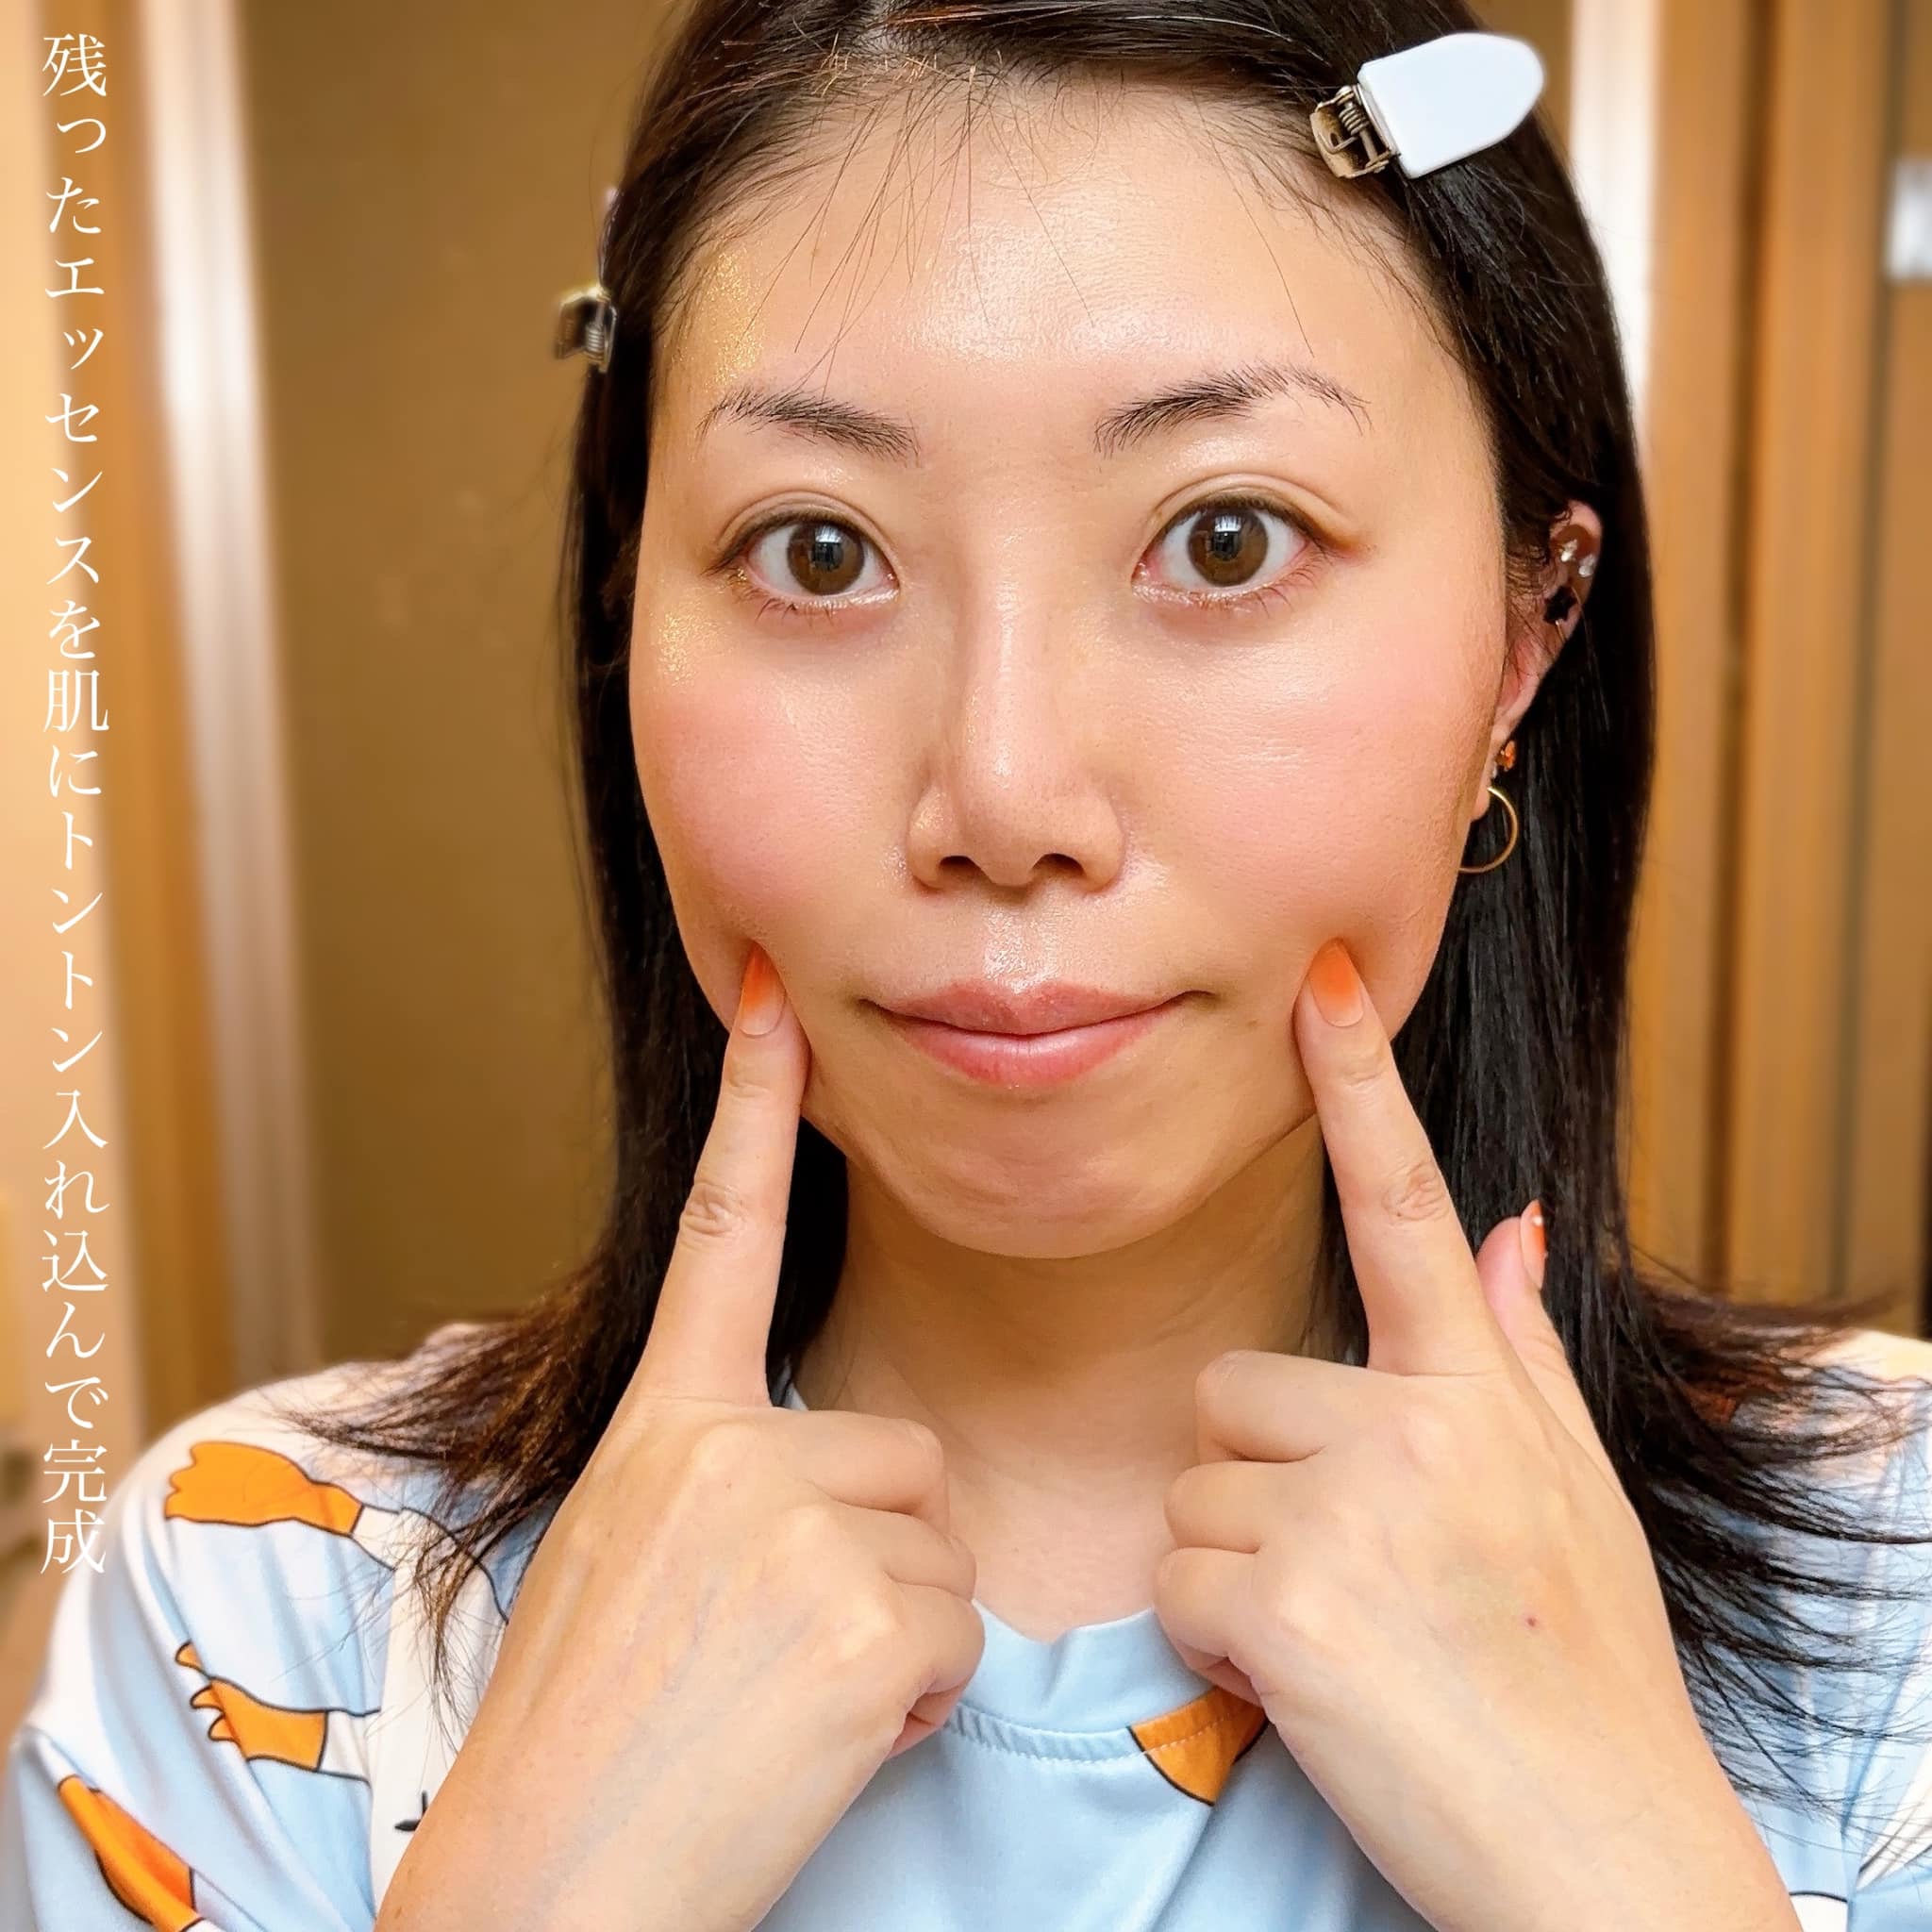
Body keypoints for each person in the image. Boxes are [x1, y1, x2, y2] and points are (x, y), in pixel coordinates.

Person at [6, 4, 1932, 1927]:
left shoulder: (1899, 1586)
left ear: (1529, 628)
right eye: (819, 553)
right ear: (627, 616)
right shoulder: (255, 1607)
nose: (1005, 798)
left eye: (1228, 538)